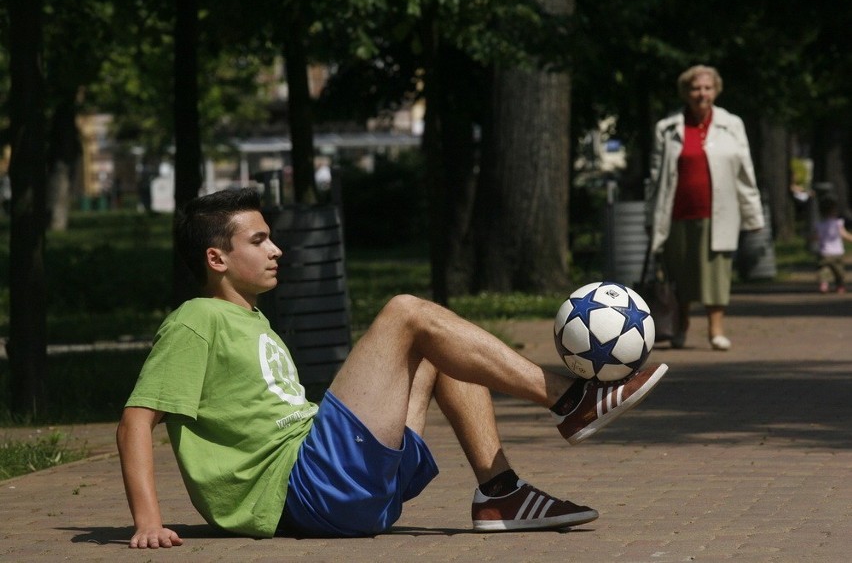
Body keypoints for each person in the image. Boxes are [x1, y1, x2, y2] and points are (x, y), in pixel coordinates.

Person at [117, 188, 668, 547]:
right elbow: (136, 421)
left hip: (347, 493)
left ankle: (502, 493)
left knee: (439, 345)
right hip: (305, 487)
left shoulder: (253, 321)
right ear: (216, 259)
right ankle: (571, 400)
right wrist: (147, 520)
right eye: (259, 240)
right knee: (405, 313)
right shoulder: (196, 320)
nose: (276, 249)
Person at [646, 64, 764, 351]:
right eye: (696, 88)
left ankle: (716, 330)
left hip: (718, 211)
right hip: (676, 212)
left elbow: (745, 172)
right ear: (686, 92)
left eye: (707, 88)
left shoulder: (732, 124)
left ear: (716, 91)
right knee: (680, 274)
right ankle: (680, 328)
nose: (702, 94)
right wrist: (651, 216)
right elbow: (655, 175)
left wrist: (753, 215)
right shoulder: (668, 127)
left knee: (716, 274)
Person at [812, 196, 852, 293]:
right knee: (839, 271)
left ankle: (824, 284)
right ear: (834, 211)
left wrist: (810, 239)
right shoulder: (838, 223)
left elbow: (815, 237)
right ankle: (840, 286)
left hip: (824, 252)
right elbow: (844, 234)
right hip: (837, 252)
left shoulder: (819, 225)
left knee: (824, 269)